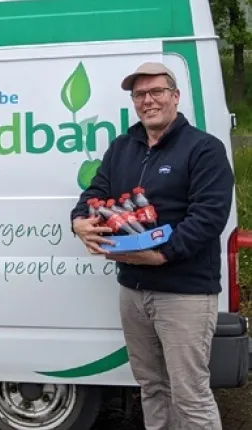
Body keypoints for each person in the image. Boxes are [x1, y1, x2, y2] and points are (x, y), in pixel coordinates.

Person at [70, 62, 234, 429]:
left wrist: (161, 254)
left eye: (157, 91)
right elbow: (95, 193)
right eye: (140, 95)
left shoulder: (204, 149)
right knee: (151, 387)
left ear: (175, 97)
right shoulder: (122, 147)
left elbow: (208, 219)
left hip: (185, 293)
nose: (148, 100)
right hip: (133, 289)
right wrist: (79, 220)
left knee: (190, 394)